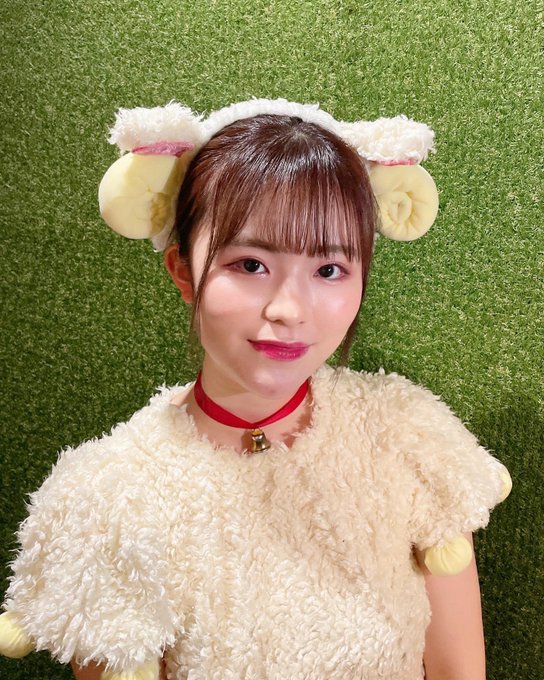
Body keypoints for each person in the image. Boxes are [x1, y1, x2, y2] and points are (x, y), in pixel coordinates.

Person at [0, 99, 511, 680]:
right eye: (249, 264)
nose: (289, 309)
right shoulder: (109, 497)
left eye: (329, 270)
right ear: (183, 270)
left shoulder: (405, 437)